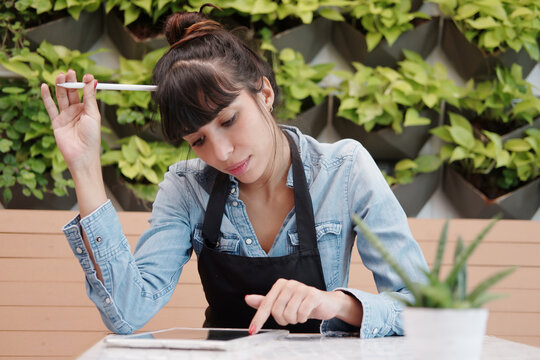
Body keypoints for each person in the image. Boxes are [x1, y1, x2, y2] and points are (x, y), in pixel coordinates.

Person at [40, 8, 428, 337]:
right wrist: (85, 164)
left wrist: (337, 304)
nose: (221, 153)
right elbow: (127, 312)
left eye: (229, 120)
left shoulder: (343, 171)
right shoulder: (187, 186)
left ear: (265, 93)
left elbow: (425, 311)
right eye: (198, 140)